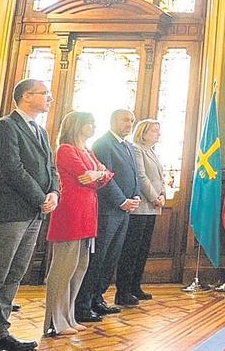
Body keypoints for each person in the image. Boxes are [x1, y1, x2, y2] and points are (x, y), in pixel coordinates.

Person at [0, 80, 59, 351]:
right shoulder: (5, 126)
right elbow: (11, 168)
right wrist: (41, 198)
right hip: (10, 211)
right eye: (45, 94)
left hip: (33, 213)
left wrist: (54, 192)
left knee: (15, 274)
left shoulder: (40, 130)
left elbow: (51, 167)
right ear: (26, 96)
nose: (49, 99)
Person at [45, 111, 113, 334]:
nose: (93, 126)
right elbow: (84, 175)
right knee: (63, 268)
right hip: (70, 212)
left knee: (80, 266)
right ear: (76, 125)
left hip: (87, 212)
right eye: (89, 123)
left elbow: (106, 176)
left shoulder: (88, 150)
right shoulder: (66, 149)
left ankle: (70, 316)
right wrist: (97, 174)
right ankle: (55, 321)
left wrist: (97, 175)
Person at [82, 110, 141, 315]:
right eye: (126, 120)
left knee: (112, 257)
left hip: (124, 210)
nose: (130, 124)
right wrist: (121, 201)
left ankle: (99, 297)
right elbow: (105, 178)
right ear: (113, 120)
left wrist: (135, 196)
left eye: (132, 121)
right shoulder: (103, 144)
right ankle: (86, 301)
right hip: (108, 210)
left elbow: (134, 174)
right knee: (100, 256)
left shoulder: (128, 146)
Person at [116, 119, 167, 303]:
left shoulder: (151, 152)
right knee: (132, 249)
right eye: (154, 131)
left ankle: (136, 286)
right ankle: (124, 290)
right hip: (141, 206)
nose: (158, 134)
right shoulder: (136, 149)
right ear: (143, 133)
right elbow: (141, 176)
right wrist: (154, 197)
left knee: (143, 249)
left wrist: (163, 195)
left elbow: (160, 177)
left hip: (152, 208)